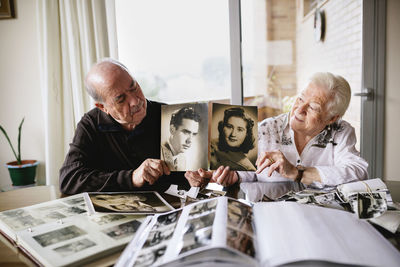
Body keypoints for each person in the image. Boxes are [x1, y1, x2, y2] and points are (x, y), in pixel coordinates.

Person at [59, 58, 208, 194]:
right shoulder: (91, 124)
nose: (135, 101)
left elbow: (188, 177)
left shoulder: (168, 115)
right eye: (121, 99)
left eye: (134, 87)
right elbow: (69, 179)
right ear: (102, 107)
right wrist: (131, 178)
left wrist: (196, 178)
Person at [211, 72, 368, 188]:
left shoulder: (340, 131)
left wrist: (297, 173)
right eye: (300, 99)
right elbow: (252, 171)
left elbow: (358, 172)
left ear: (332, 118)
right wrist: (234, 175)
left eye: (313, 107)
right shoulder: (266, 129)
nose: (299, 110)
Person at [161, 106, 201, 171]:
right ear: (172, 129)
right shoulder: (158, 154)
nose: (190, 141)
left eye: (194, 134)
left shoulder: (182, 160)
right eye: (186, 132)